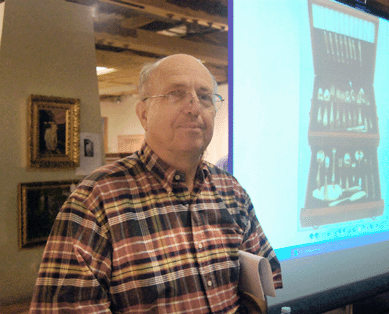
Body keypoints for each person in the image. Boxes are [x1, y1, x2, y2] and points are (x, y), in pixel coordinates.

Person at [29, 54, 282, 313]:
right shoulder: (94, 203)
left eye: (205, 97)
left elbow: (264, 286)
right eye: (176, 93)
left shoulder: (232, 192)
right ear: (144, 113)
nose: (194, 108)